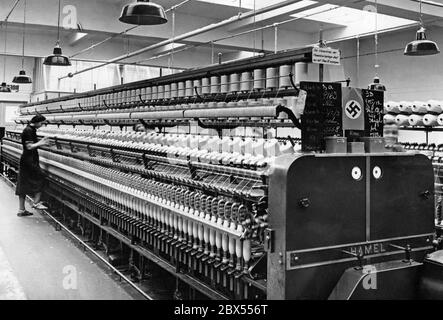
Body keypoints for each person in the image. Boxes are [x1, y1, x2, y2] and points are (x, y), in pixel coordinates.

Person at [15, 115, 50, 216]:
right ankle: (36, 202)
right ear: (37, 122)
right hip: (29, 160)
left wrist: (41, 143)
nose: (42, 125)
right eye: (42, 123)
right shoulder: (29, 130)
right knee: (41, 177)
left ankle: (21, 210)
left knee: (23, 184)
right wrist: (41, 142)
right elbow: (29, 146)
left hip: (27, 160)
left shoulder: (31, 129)